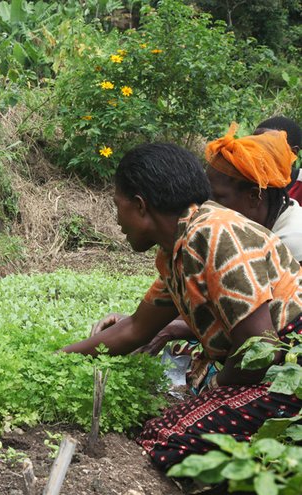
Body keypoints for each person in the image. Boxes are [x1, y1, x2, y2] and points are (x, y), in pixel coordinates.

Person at [61, 142, 301, 470]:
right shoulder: (176, 251)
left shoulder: (212, 233)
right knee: (167, 429)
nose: (117, 220)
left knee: (163, 439)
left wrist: (213, 392)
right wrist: (58, 359)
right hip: (266, 366)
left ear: (141, 206)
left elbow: (261, 349)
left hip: (288, 369)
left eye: (118, 206)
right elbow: (135, 329)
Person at [99, 124, 301, 362]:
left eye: (217, 197)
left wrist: (218, 384)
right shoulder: (182, 247)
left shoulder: (221, 233)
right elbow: (138, 326)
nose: (208, 204)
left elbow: (259, 347)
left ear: (255, 196)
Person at [254, 116, 302, 202]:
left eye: (268, 146)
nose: (255, 151)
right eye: (252, 143)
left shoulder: (299, 185)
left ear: (292, 152)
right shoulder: (244, 176)